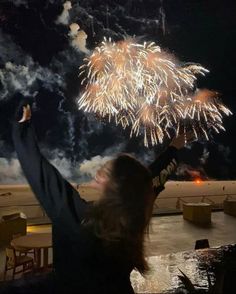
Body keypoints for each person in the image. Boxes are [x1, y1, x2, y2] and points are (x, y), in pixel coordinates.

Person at [8, 105, 189, 293]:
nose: (98, 174)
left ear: (114, 186)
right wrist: (174, 149)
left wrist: (22, 128)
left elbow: (42, 175)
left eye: (104, 172)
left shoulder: (81, 219)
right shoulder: (136, 207)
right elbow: (158, 173)